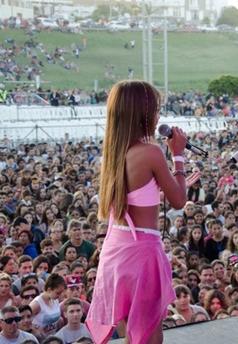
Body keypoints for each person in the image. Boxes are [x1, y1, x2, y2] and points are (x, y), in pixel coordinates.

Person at [85, 80, 200, 344]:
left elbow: (132, 201)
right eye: (156, 109)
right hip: (142, 256)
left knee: (132, 335)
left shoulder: (114, 153)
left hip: (116, 253)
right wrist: (178, 157)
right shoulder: (150, 152)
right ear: (142, 114)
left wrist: (160, 191)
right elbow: (180, 201)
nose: (159, 115)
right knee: (150, 337)